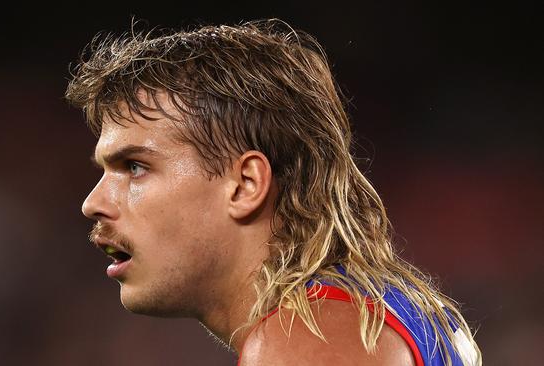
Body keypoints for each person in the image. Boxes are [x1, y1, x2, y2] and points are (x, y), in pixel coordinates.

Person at [65, 19, 481, 366]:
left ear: (246, 185)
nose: (93, 203)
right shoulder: (364, 314)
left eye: (135, 167)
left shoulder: (305, 342)